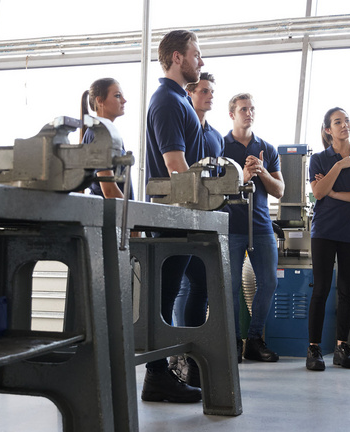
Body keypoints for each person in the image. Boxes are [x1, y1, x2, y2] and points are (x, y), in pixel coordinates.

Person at [142, 29, 206, 403]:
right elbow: (175, 165)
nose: (201, 60)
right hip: (175, 214)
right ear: (178, 58)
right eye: (196, 54)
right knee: (166, 296)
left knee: (199, 284)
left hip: (187, 215)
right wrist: (203, 200)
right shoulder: (166, 101)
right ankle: (157, 375)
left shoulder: (179, 100)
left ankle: (188, 364)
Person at [305, 107, 350, 371]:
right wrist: (339, 165)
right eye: (338, 122)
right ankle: (313, 349)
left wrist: (335, 194)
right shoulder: (319, 160)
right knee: (321, 289)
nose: (344, 125)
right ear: (328, 130)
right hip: (324, 232)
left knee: (347, 291)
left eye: (347, 120)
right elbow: (319, 192)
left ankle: (341, 348)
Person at [223, 93, 284, 363]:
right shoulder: (219, 146)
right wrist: (242, 177)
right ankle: (233, 341)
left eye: (252, 109)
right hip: (230, 226)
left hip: (261, 226)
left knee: (269, 282)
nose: (249, 113)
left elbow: (280, 190)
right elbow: (211, 188)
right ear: (232, 114)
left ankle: (255, 340)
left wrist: (262, 172)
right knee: (231, 285)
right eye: (243, 109)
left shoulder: (267, 149)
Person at [173, 72, 224, 328]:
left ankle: (190, 347)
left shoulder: (216, 136)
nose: (209, 96)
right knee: (183, 283)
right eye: (203, 90)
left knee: (201, 284)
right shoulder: (184, 128)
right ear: (190, 93)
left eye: (211, 91)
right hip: (183, 212)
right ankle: (176, 348)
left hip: (207, 215)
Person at [79, 77, 131, 199]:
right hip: (107, 214)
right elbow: (109, 190)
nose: (124, 100)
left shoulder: (109, 134)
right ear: (100, 101)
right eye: (118, 96)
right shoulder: (99, 133)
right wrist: (133, 215)